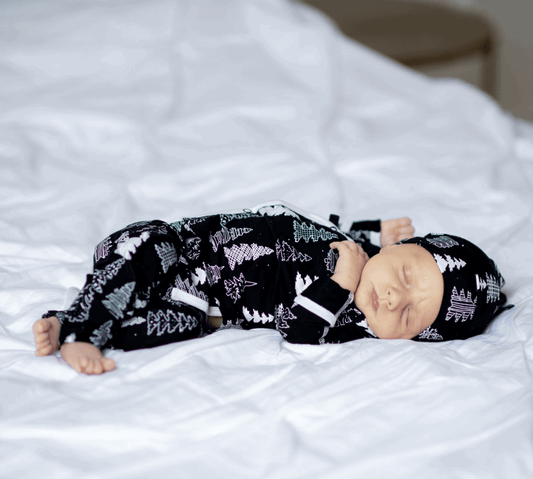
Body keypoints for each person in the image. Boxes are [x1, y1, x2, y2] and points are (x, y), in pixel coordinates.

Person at [33, 201, 509, 375]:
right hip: (178, 249)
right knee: (143, 252)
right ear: (398, 248)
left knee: (182, 323)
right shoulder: (357, 251)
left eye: (406, 316)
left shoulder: (348, 320)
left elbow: (297, 330)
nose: (391, 298)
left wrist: (339, 286)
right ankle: (82, 330)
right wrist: (374, 230)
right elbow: (324, 222)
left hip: (197, 301)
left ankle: (70, 322)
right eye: (404, 277)